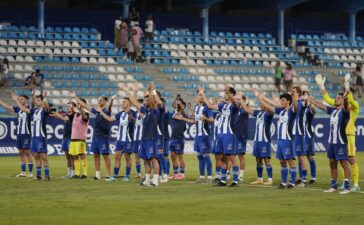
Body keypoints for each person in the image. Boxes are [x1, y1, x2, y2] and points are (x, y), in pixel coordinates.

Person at [317, 73, 360, 192]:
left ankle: (355, 184)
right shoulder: (338, 105)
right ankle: (343, 183)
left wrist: (347, 88)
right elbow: (327, 100)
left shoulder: (354, 106)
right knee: (341, 159)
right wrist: (322, 87)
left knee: (351, 159)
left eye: (347, 93)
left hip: (349, 135)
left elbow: (349, 99)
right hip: (338, 136)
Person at [309, 76, 351, 194]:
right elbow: (321, 106)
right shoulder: (333, 111)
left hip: (341, 142)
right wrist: (309, 98)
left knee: (344, 163)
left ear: (343, 100)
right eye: (336, 98)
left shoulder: (345, 112)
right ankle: (334, 186)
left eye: (338, 98)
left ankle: (347, 187)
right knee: (332, 164)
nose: (336, 99)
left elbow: (347, 103)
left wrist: (346, 89)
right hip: (331, 142)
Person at [201, 85, 240, 187]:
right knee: (222, 157)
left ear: (232, 94)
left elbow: (235, 102)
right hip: (221, 135)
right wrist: (202, 94)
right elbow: (209, 106)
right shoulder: (223, 106)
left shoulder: (235, 105)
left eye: (227, 93)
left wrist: (228, 92)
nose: (225, 94)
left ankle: (235, 180)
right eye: (224, 93)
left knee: (232, 157)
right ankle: (223, 180)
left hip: (229, 134)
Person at [123, 82, 161, 186]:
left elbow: (154, 102)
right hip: (144, 138)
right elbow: (134, 102)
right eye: (144, 99)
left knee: (154, 159)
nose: (145, 101)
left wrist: (151, 90)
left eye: (146, 99)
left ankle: (156, 180)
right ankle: (147, 180)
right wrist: (128, 92)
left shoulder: (155, 110)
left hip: (151, 138)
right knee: (146, 160)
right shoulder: (145, 110)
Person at [258, 91, 297, 189]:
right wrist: (260, 98)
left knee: (290, 161)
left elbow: (296, 106)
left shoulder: (292, 111)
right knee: (282, 161)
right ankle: (284, 183)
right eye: (281, 100)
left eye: (283, 100)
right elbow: (269, 106)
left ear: (288, 101)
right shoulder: (281, 111)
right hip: (280, 140)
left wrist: (294, 97)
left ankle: (292, 183)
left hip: (288, 140)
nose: (281, 102)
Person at [12, 92, 50, 181]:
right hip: (34, 138)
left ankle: (47, 176)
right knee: (36, 156)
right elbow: (23, 109)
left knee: (43, 156)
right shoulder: (34, 111)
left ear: (42, 101)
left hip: (41, 137)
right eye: (36, 100)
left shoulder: (44, 111)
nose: (37, 102)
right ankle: (38, 176)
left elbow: (47, 107)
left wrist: (44, 99)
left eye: (38, 100)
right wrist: (16, 100)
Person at [97, 97, 136, 181]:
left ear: (129, 104)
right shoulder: (120, 114)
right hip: (119, 140)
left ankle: (127, 176)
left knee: (127, 158)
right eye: (122, 102)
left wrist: (129, 114)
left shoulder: (133, 113)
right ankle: (114, 176)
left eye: (124, 102)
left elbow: (133, 121)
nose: (122, 104)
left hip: (128, 140)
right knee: (117, 157)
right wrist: (101, 112)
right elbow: (110, 119)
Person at [240, 91, 274, 185]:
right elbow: (246, 109)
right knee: (258, 160)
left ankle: (270, 179)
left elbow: (269, 108)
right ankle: (260, 179)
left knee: (266, 160)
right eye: (260, 104)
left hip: (265, 140)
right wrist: (241, 100)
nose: (260, 105)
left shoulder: (269, 114)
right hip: (257, 140)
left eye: (261, 104)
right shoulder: (258, 113)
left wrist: (261, 98)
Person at [75, 95, 112, 181]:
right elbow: (86, 106)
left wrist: (112, 100)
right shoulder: (97, 111)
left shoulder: (107, 111)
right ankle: (97, 174)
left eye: (100, 100)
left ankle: (107, 175)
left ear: (105, 102)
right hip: (95, 136)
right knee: (96, 155)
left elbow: (110, 106)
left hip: (103, 136)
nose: (99, 102)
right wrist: (75, 98)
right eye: (98, 100)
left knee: (105, 155)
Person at [0, 94, 33, 178]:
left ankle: (30, 172)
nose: (20, 100)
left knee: (27, 152)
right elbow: (8, 107)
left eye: (22, 99)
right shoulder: (18, 109)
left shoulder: (29, 109)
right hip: (19, 134)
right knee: (21, 152)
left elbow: (32, 103)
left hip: (26, 134)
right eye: (20, 99)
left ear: (25, 100)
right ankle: (23, 172)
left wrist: (16, 100)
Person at [51, 102, 76, 178]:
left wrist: (56, 113)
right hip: (65, 137)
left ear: (73, 107)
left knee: (72, 156)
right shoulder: (67, 115)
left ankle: (73, 173)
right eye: (67, 106)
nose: (68, 107)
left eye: (69, 106)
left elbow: (62, 117)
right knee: (67, 157)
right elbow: (56, 116)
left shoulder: (74, 115)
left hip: (71, 138)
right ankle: (69, 173)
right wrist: (52, 112)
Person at [291, 86, 308, 187]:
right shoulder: (294, 103)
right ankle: (301, 177)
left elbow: (299, 107)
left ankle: (304, 180)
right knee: (298, 157)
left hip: (299, 133)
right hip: (293, 133)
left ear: (298, 93)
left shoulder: (301, 102)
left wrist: (305, 99)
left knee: (301, 157)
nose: (292, 92)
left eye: (293, 91)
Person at [68, 96, 89, 179]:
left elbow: (85, 118)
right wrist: (71, 106)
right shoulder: (75, 114)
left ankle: (84, 173)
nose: (78, 104)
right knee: (74, 156)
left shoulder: (85, 114)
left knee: (82, 155)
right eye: (77, 103)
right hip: (73, 139)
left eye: (79, 103)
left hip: (80, 139)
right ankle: (77, 173)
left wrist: (81, 109)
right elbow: (70, 114)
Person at [168, 99, 187, 179]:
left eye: (179, 103)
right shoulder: (172, 113)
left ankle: (182, 174)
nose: (177, 104)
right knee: (172, 156)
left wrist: (180, 106)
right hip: (172, 138)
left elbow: (181, 112)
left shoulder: (183, 114)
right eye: (176, 102)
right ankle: (176, 174)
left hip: (179, 138)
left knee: (180, 156)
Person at [301, 91, 317, 185]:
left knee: (309, 156)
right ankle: (302, 177)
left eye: (306, 95)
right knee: (300, 156)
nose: (304, 96)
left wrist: (311, 104)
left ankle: (313, 177)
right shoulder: (299, 107)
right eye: (303, 95)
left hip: (307, 134)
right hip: (299, 135)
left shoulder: (309, 108)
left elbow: (314, 111)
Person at [233, 93, 249, 182]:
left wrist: (242, 101)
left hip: (241, 135)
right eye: (236, 99)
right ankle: (228, 173)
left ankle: (241, 175)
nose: (237, 101)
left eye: (239, 99)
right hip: (234, 134)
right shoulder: (236, 109)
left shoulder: (245, 109)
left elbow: (246, 109)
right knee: (231, 155)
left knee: (241, 156)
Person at [132, 98, 144, 178]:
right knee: (136, 155)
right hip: (135, 137)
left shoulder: (144, 112)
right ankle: (139, 173)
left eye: (139, 104)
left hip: (142, 137)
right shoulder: (135, 113)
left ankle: (149, 173)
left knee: (145, 155)